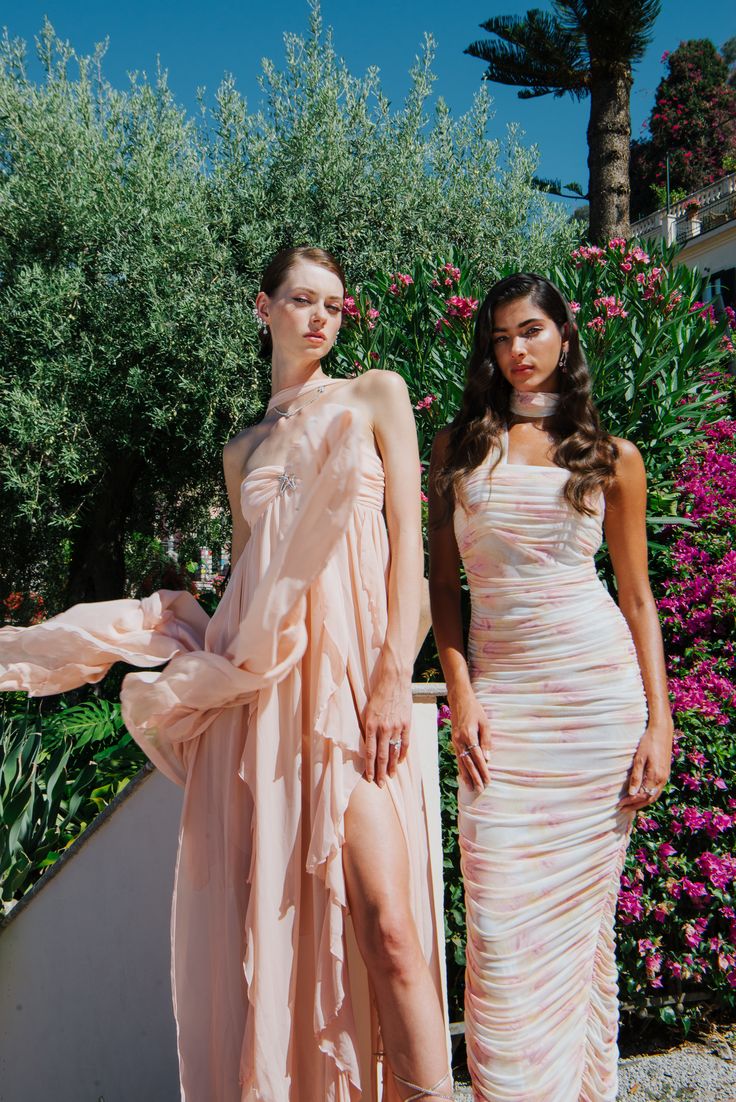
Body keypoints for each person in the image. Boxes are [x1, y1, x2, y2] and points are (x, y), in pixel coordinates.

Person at [0, 246, 452, 1102]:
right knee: (278, 929)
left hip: (355, 696)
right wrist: (181, 646)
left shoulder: (376, 395)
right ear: (264, 307)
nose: (322, 317)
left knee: (391, 927)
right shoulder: (242, 450)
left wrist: (396, 674)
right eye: (303, 300)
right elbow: (251, 591)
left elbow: (411, 559)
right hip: (269, 709)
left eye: (336, 305)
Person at [428, 273, 673, 1102]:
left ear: (565, 336)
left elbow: (638, 598)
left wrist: (660, 726)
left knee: (579, 936)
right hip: (505, 713)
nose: (515, 351)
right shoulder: (459, 446)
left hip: (598, 711)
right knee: (497, 937)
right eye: (499, 339)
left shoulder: (613, 457)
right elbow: (442, 590)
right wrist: (461, 695)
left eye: (529, 331)